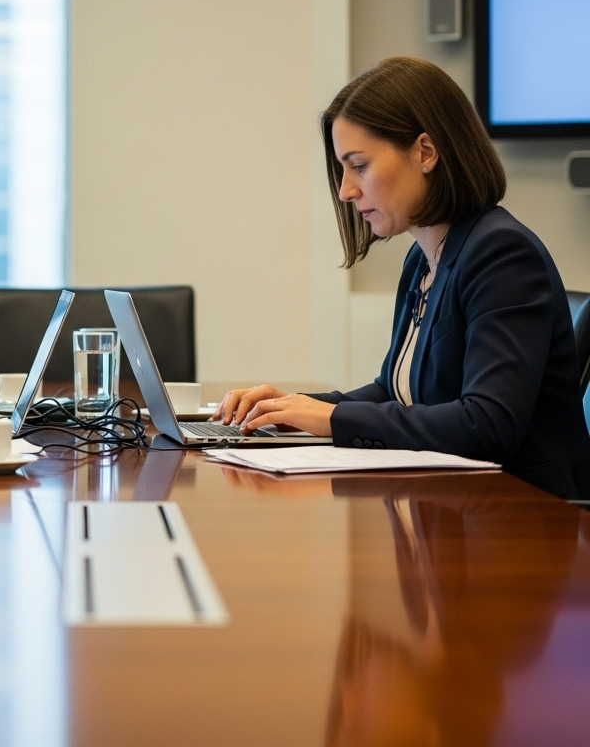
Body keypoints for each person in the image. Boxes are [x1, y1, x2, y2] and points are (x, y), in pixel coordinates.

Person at [213, 56, 590, 499]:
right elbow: (395, 390)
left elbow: (487, 423)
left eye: (359, 165)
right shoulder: (423, 258)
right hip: (454, 510)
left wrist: (330, 419)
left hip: (526, 521)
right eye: (342, 169)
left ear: (425, 152)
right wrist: (296, 408)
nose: (345, 190)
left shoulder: (502, 253)